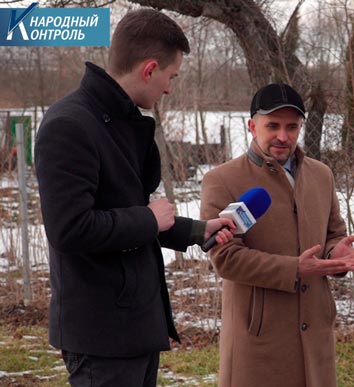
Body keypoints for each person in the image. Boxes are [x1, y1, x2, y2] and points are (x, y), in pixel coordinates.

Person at [34, 8, 235, 387]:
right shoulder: (69, 125)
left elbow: (136, 216)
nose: (169, 89)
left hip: (136, 324)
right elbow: (69, 229)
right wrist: (149, 219)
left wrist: (199, 230)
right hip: (101, 333)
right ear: (149, 69)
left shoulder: (121, 122)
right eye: (170, 77)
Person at [200, 83, 354, 387]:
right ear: (252, 126)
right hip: (258, 337)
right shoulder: (222, 180)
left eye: (292, 127)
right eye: (273, 126)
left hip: (315, 332)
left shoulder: (321, 175)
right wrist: (294, 268)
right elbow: (226, 259)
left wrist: (336, 252)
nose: (283, 136)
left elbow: (334, 234)